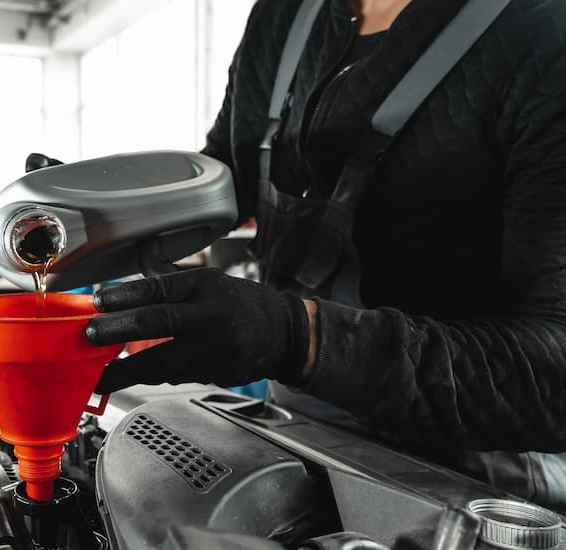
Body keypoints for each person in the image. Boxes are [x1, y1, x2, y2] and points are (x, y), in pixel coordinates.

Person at [84, 0, 566, 511]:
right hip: (307, 433)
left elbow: (553, 376)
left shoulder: (543, 34)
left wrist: (297, 336)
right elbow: (224, 181)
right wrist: (97, 209)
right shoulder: (283, 16)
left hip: (482, 481)